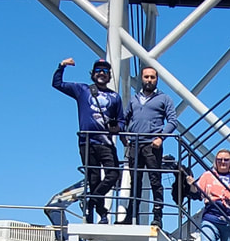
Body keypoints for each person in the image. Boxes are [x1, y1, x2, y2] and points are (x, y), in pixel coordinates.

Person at [53, 57, 123, 224]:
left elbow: (121, 120)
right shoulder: (82, 90)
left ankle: (93, 198)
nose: (101, 73)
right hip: (86, 142)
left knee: (113, 174)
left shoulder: (115, 97)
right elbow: (57, 84)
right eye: (98, 70)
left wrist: (117, 128)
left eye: (105, 71)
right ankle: (102, 213)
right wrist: (61, 66)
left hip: (106, 143)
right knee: (93, 179)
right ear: (93, 74)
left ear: (109, 76)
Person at [122, 66, 177, 227]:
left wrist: (161, 137)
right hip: (135, 145)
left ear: (156, 79)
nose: (149, 80)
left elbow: (173, 121)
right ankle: (131, 215)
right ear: (142, 78)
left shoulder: (164, 98)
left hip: (152, 146)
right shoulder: (133, 99)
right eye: (146, 77)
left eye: (152, 77)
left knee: (155, 181)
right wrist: (123, 136)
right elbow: (124, 119)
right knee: (135, 182)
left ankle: (158, 216)